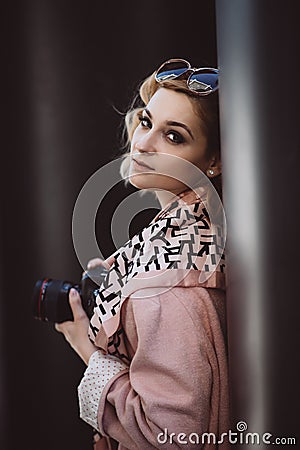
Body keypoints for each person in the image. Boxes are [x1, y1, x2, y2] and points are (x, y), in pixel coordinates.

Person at [55, 58, 230, 449]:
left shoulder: (169, 286)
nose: (143, 142)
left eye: (174, 136)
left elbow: (173, 439)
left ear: (214, 161)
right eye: (147, 122)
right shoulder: (197, 238)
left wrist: (86, 347)